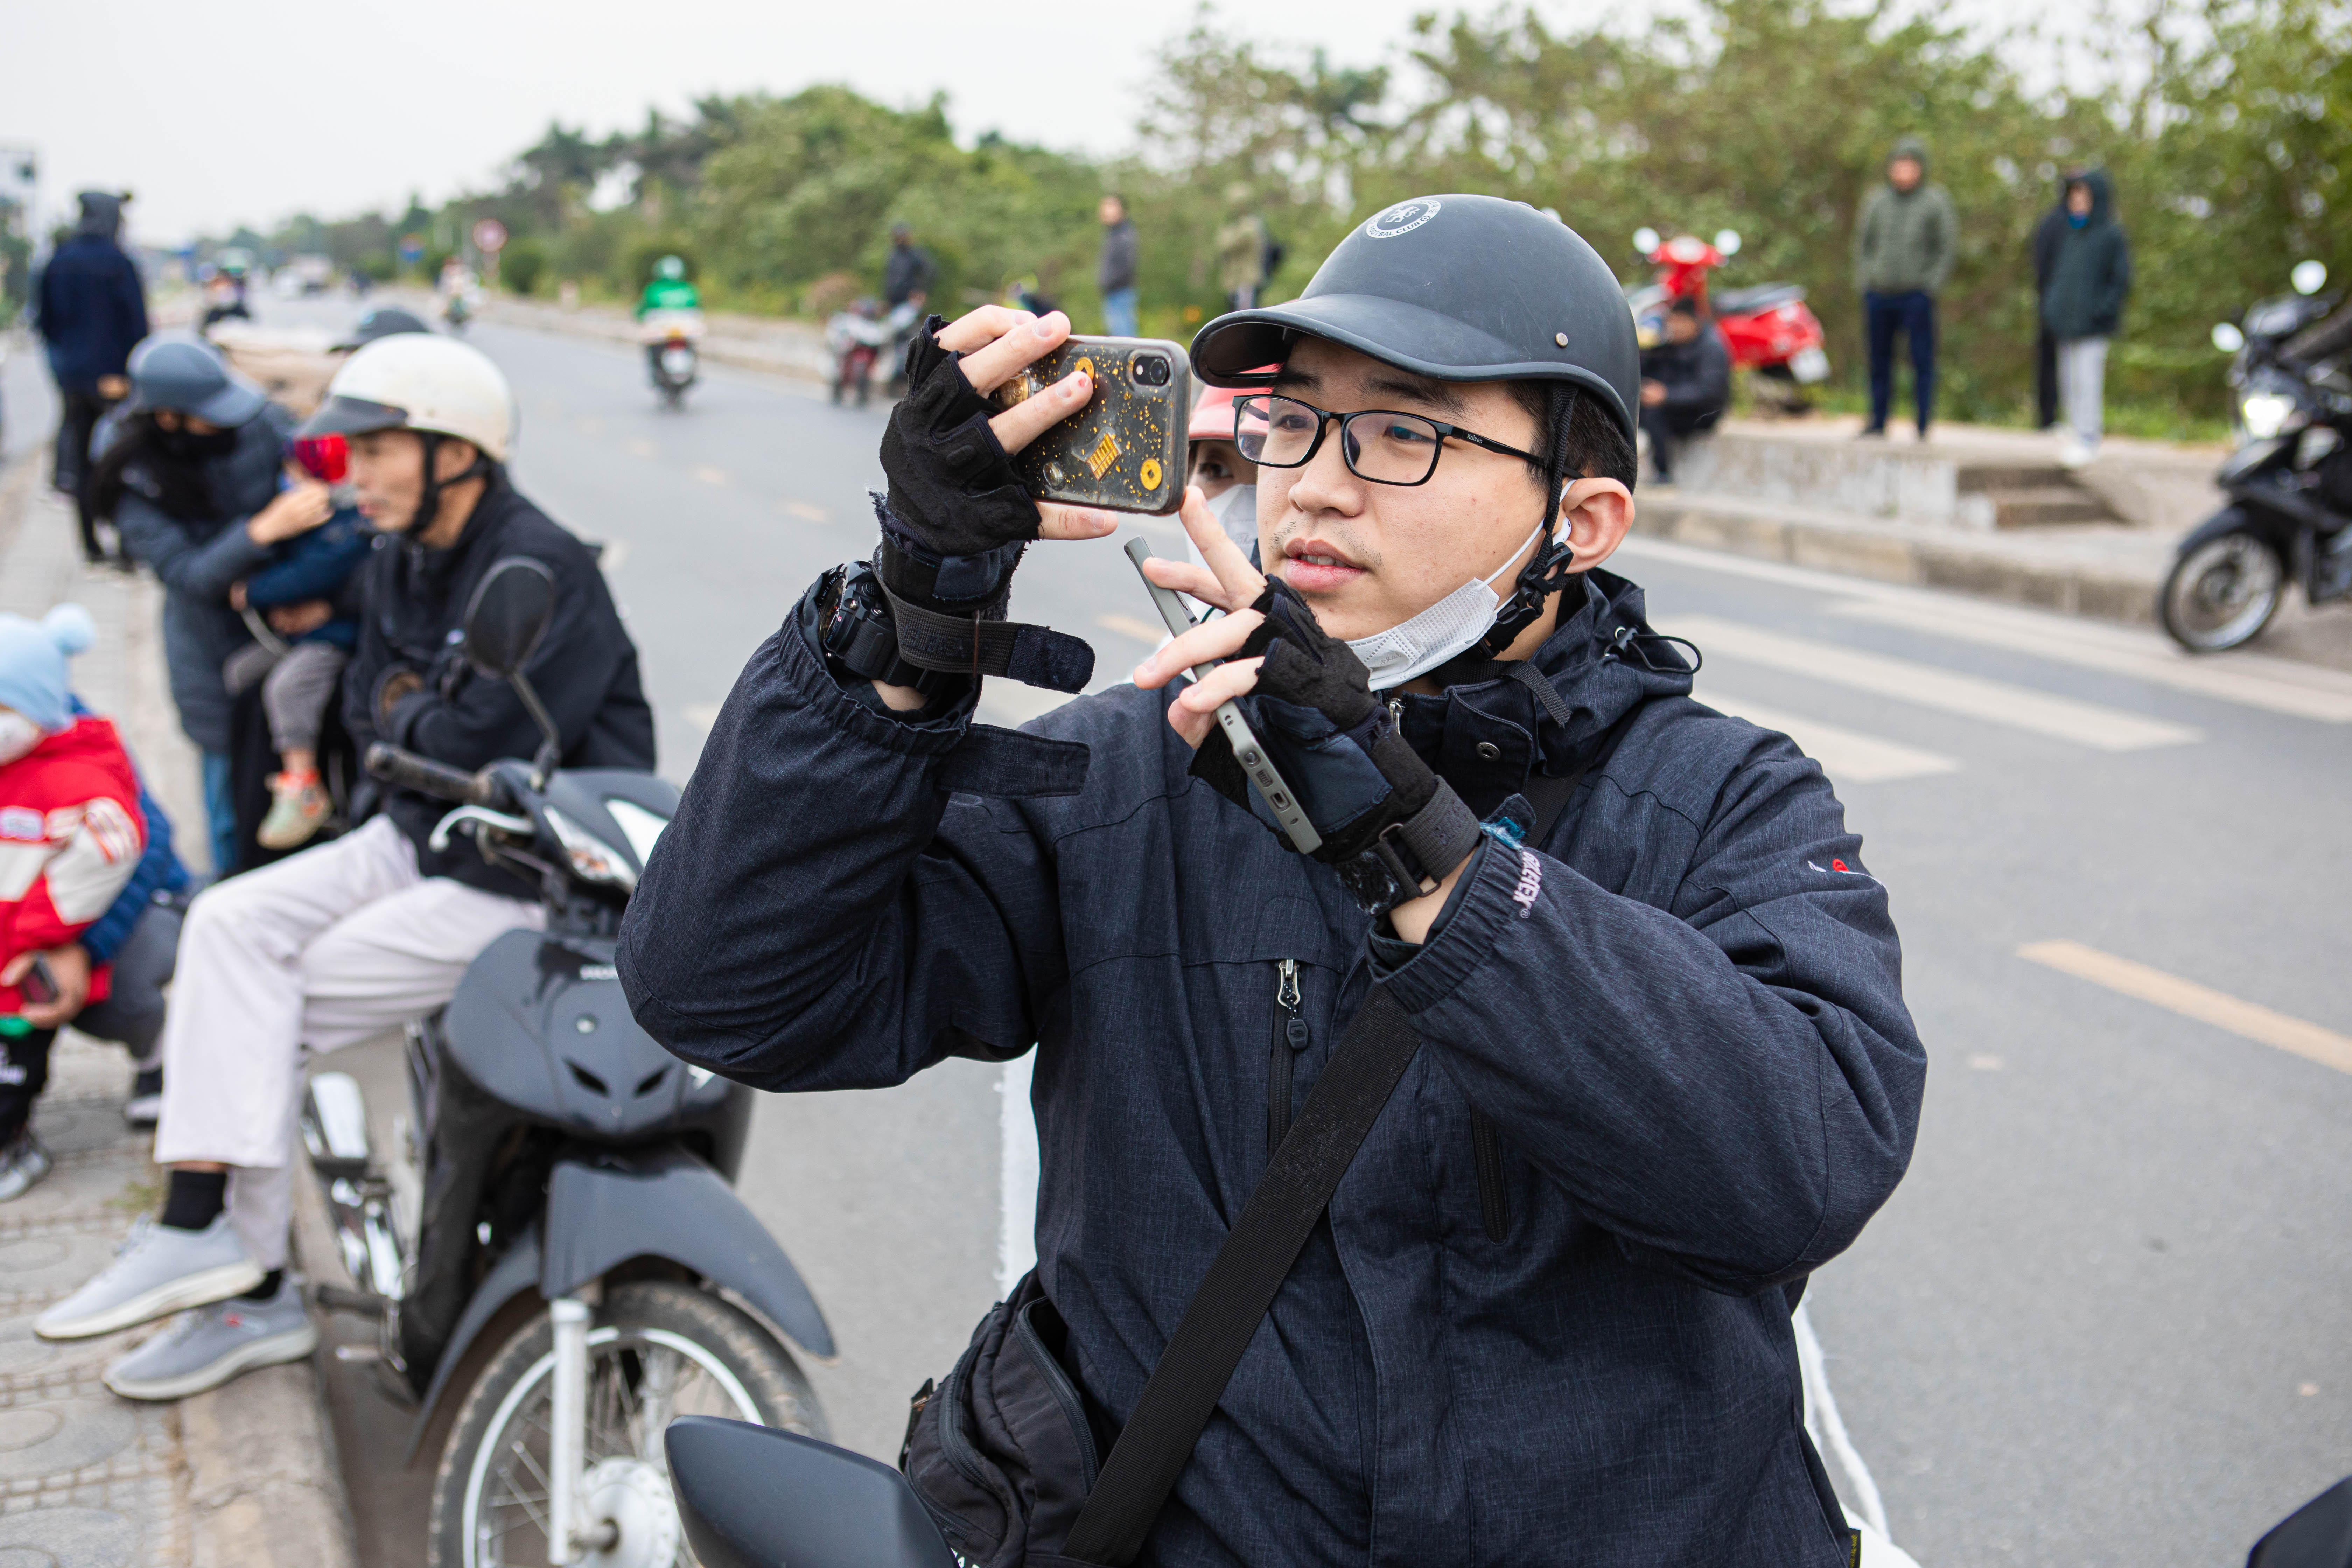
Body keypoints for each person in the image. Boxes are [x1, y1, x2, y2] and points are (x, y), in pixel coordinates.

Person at [618, 194, 1924, 1566]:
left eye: (1405, 429)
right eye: (1295, 420)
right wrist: (909, 619)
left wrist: (1415, 844)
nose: (1315, 481)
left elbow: (1800, 1162)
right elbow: (731, 995)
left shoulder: (1722, 797)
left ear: (1581, 520)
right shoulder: (1143, 759)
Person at [34, 334, 655, 1402]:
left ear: (457, 451)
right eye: (347, 451)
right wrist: (418, 705)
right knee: (227, 927)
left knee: (253, 1010)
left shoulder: (537, 564)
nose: (349, 475)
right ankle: (201, 1234)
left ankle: (256, 1283)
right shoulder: (403, 551)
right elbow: (380, 704)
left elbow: (457, 732)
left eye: (375, 450)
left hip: (523, 874)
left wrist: (413, 706)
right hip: (417, 834)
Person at [86, 335, 328, 876]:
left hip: (286, 625)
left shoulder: (250, 422)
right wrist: (264, 529)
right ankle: (228, 886)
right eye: (207, 418)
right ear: (167, 419)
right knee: (228, 796)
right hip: (207, 653)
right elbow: (188, 575)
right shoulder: (129, 476)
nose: (224, 424)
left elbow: (303, 444)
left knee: (298, 776)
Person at [0, 606, 146, 1201]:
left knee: (13, 1064)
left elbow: (120, 845)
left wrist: (43, 928)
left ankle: (14, 1144)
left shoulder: (73, 778)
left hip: (21, 957)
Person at [222, 494, 373, 850]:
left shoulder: (355, 520)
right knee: (242, 672)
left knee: (288, 688)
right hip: (302, 634)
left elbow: (327, 568)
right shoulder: (295, 506)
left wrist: (262, 591)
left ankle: (304, 785)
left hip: (336, 642)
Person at [32, 191, 150, 563]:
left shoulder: (58, 260)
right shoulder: (117, 262)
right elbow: (137, 325)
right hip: (115, 380)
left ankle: (91, 547)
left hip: (73, 380)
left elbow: (44, 323)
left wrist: (67, 367)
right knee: (122, 462)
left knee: (80, 462)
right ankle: (127, 549)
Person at [1853, 137, 1956, 441]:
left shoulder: (1935, 202)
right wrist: (1866, 282)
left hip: (1917, 295)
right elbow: (1863, 245)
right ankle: (1878, 420)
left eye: (1909, 166)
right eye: (1898, 165)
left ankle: (1923, 423)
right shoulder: (1877, 202)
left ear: (1920, 169)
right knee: (1878, 360)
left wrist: (1930, 287)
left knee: (1922, 361)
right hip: (1879, 294)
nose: (1903, 172)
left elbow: (1945, 248)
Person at [2040, 169, 2130, 469]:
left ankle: (2089, 439)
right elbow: (2057, 277)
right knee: (2068, 382)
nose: (2077, 201)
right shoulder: (2069, 234)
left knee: (2088, 382)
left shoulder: (2110, 235)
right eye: (2074, 195)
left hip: (2093, 327)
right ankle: (2075, 433)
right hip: (2066, 325)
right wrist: (2053, 308)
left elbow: (2120, 281)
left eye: (2084, 195)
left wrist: (2100, 311)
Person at [1636, 296, 1732, 484]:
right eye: (1672, 321)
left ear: (1693, 321)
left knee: (1654, 415)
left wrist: (1666, 395)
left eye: (1680, 321)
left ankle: (1663, 473)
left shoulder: (1712, 348)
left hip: (1702, 413)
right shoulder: (1671, 344)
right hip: (1672, 404)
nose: (1675, 327)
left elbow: (1709, 390)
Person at [2029, 171, 2080, 431]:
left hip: (2078, 308)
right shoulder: (2054, 223)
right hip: (2053, 304)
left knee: (2076, 364)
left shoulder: (2087, 224)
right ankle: (2047, 418)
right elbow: (2041, 264)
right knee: (2050, 361)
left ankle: (2073, 419)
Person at [1215, 185, 1273, 312]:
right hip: (1237, 281)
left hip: (1246, 281)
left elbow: (1227, 245)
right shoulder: (1241, 225)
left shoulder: (1250, 226)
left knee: (1243, 317)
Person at [1098, 193, 1139, 336]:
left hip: (1120, 293)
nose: (1105, 211)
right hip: (1113, 293)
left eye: (1111, 206)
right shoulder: (1114, 234)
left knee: (1124, 339)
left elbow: (1127, 266)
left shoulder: (1124, 235)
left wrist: (1109, 282)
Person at [881, 224, 937, 313]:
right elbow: (890, 280)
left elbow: (930, 272)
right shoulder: (894, 256)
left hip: (910, 303)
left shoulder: (915, 254)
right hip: (894, 304)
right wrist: (886, 300)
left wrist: (921, 291)